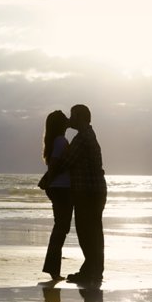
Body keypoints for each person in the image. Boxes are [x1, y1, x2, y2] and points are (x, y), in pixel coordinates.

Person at [39, 104, 106, 285]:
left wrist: (46, 179)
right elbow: (62, 162)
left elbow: (65, 162)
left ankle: (91, 271)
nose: (70, 119)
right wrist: (48, 179)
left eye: (73, 116)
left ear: (80, 117)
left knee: (87, 232)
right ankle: (92, 270)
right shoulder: (83, 136)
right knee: (90, 232)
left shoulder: (82, 138)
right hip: (91, 191)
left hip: (89, 192)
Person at [40, 110, 73, 281]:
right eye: (65, 119)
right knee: (61, 229)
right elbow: (54, 165)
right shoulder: (60, 141)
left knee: (60, 228)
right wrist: (49, 181)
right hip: (61, 188)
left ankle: (52, 269)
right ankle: (53, 270)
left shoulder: (55, 140)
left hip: (59, 187)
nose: (69, 120)